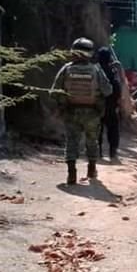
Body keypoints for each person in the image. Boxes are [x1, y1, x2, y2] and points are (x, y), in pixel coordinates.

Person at [51, 38, 113, 184]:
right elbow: (108, 90)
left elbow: (53, 92)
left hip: (71, 112)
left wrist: (64, 102)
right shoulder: (96, 69)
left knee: (71, 141)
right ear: (90, 53)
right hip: (92, 113)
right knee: (92, 141)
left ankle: (71, 174)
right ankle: (91, 169)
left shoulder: (66, 69)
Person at [96, 46, 122, 160]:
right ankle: (113, 152)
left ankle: (98, 151)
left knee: (97, 129)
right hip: (110, 105)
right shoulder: (112, 71)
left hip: (95, 105)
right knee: (113, 129)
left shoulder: (95, 70)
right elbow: (117, 88)